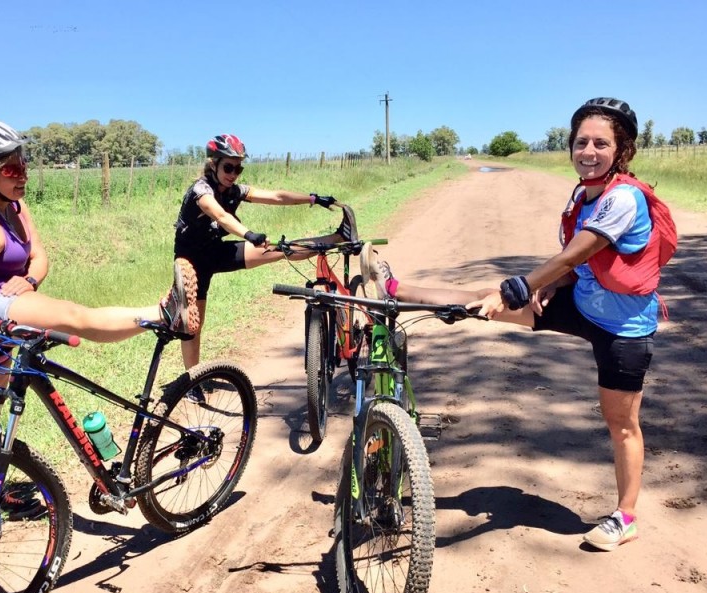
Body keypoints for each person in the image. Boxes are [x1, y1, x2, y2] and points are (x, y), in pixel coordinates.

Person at [362, 98, 672, 552]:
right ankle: (394, 288)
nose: (588, 151)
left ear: (621, 150)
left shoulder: (623, 198)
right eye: (581, 142)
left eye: (601, 144)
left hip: (624, 330)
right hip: (582, 305)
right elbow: (578, 265)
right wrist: (551, 286)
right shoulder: (583, 195)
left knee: (620, 423)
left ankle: (625, 517)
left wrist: (519, 288)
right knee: (477, 301)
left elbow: (577, 252)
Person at [0, 119, 199, 429]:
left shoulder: (13, 205)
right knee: (73, 316)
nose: (23, 175)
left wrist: (30, 279)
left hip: (0, 305)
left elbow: (39, 256)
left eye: (24, 164)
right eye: (11, 170)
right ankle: (165, 313)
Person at [173, 133, 345, 399]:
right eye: (228, 167)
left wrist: (313, 199)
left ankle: (338, 237)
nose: (233, 174)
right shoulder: (201, 191)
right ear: (213, 165)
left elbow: (276, 196)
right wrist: (248, 234)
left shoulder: (234, 190)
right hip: (191, 261)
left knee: (280, 250)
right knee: (192, 324)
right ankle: (191, 382)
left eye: (238, 168)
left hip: (217, 251)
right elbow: (220, 215)